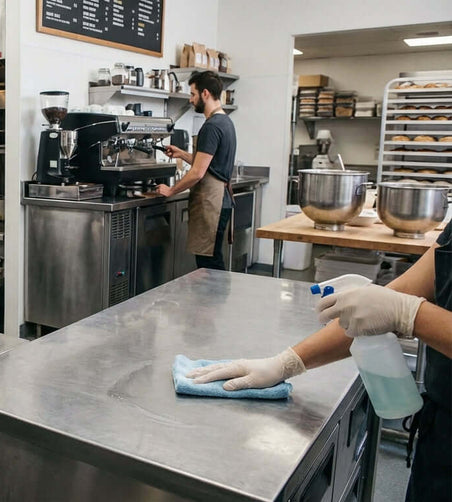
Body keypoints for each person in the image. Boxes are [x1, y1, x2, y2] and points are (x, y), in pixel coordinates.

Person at [187, 226, 452, 501]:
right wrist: (286, 362)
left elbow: (400, 306)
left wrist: (410, 314)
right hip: (440, 433)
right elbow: (401, 292)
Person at [157, 71, 237, 270]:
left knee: (209, 265)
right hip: (221, 200)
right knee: (213, 261)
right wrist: (182, 154)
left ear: (205, 94)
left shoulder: (211, 126)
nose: (191, 100)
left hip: (212, 202)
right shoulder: (225, 122)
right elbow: (208, 162)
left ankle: (211, 302)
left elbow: (198, 172)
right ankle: (214, 301)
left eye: (193, 94)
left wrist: (170, 190)